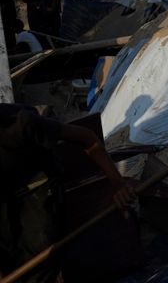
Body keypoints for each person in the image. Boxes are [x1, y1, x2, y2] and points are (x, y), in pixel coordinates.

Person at [0, 103, 136, 282]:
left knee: (38, 259)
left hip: (37, 187)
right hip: (5, 190)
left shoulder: (22, 124)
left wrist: (118, 184)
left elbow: (88, 138)